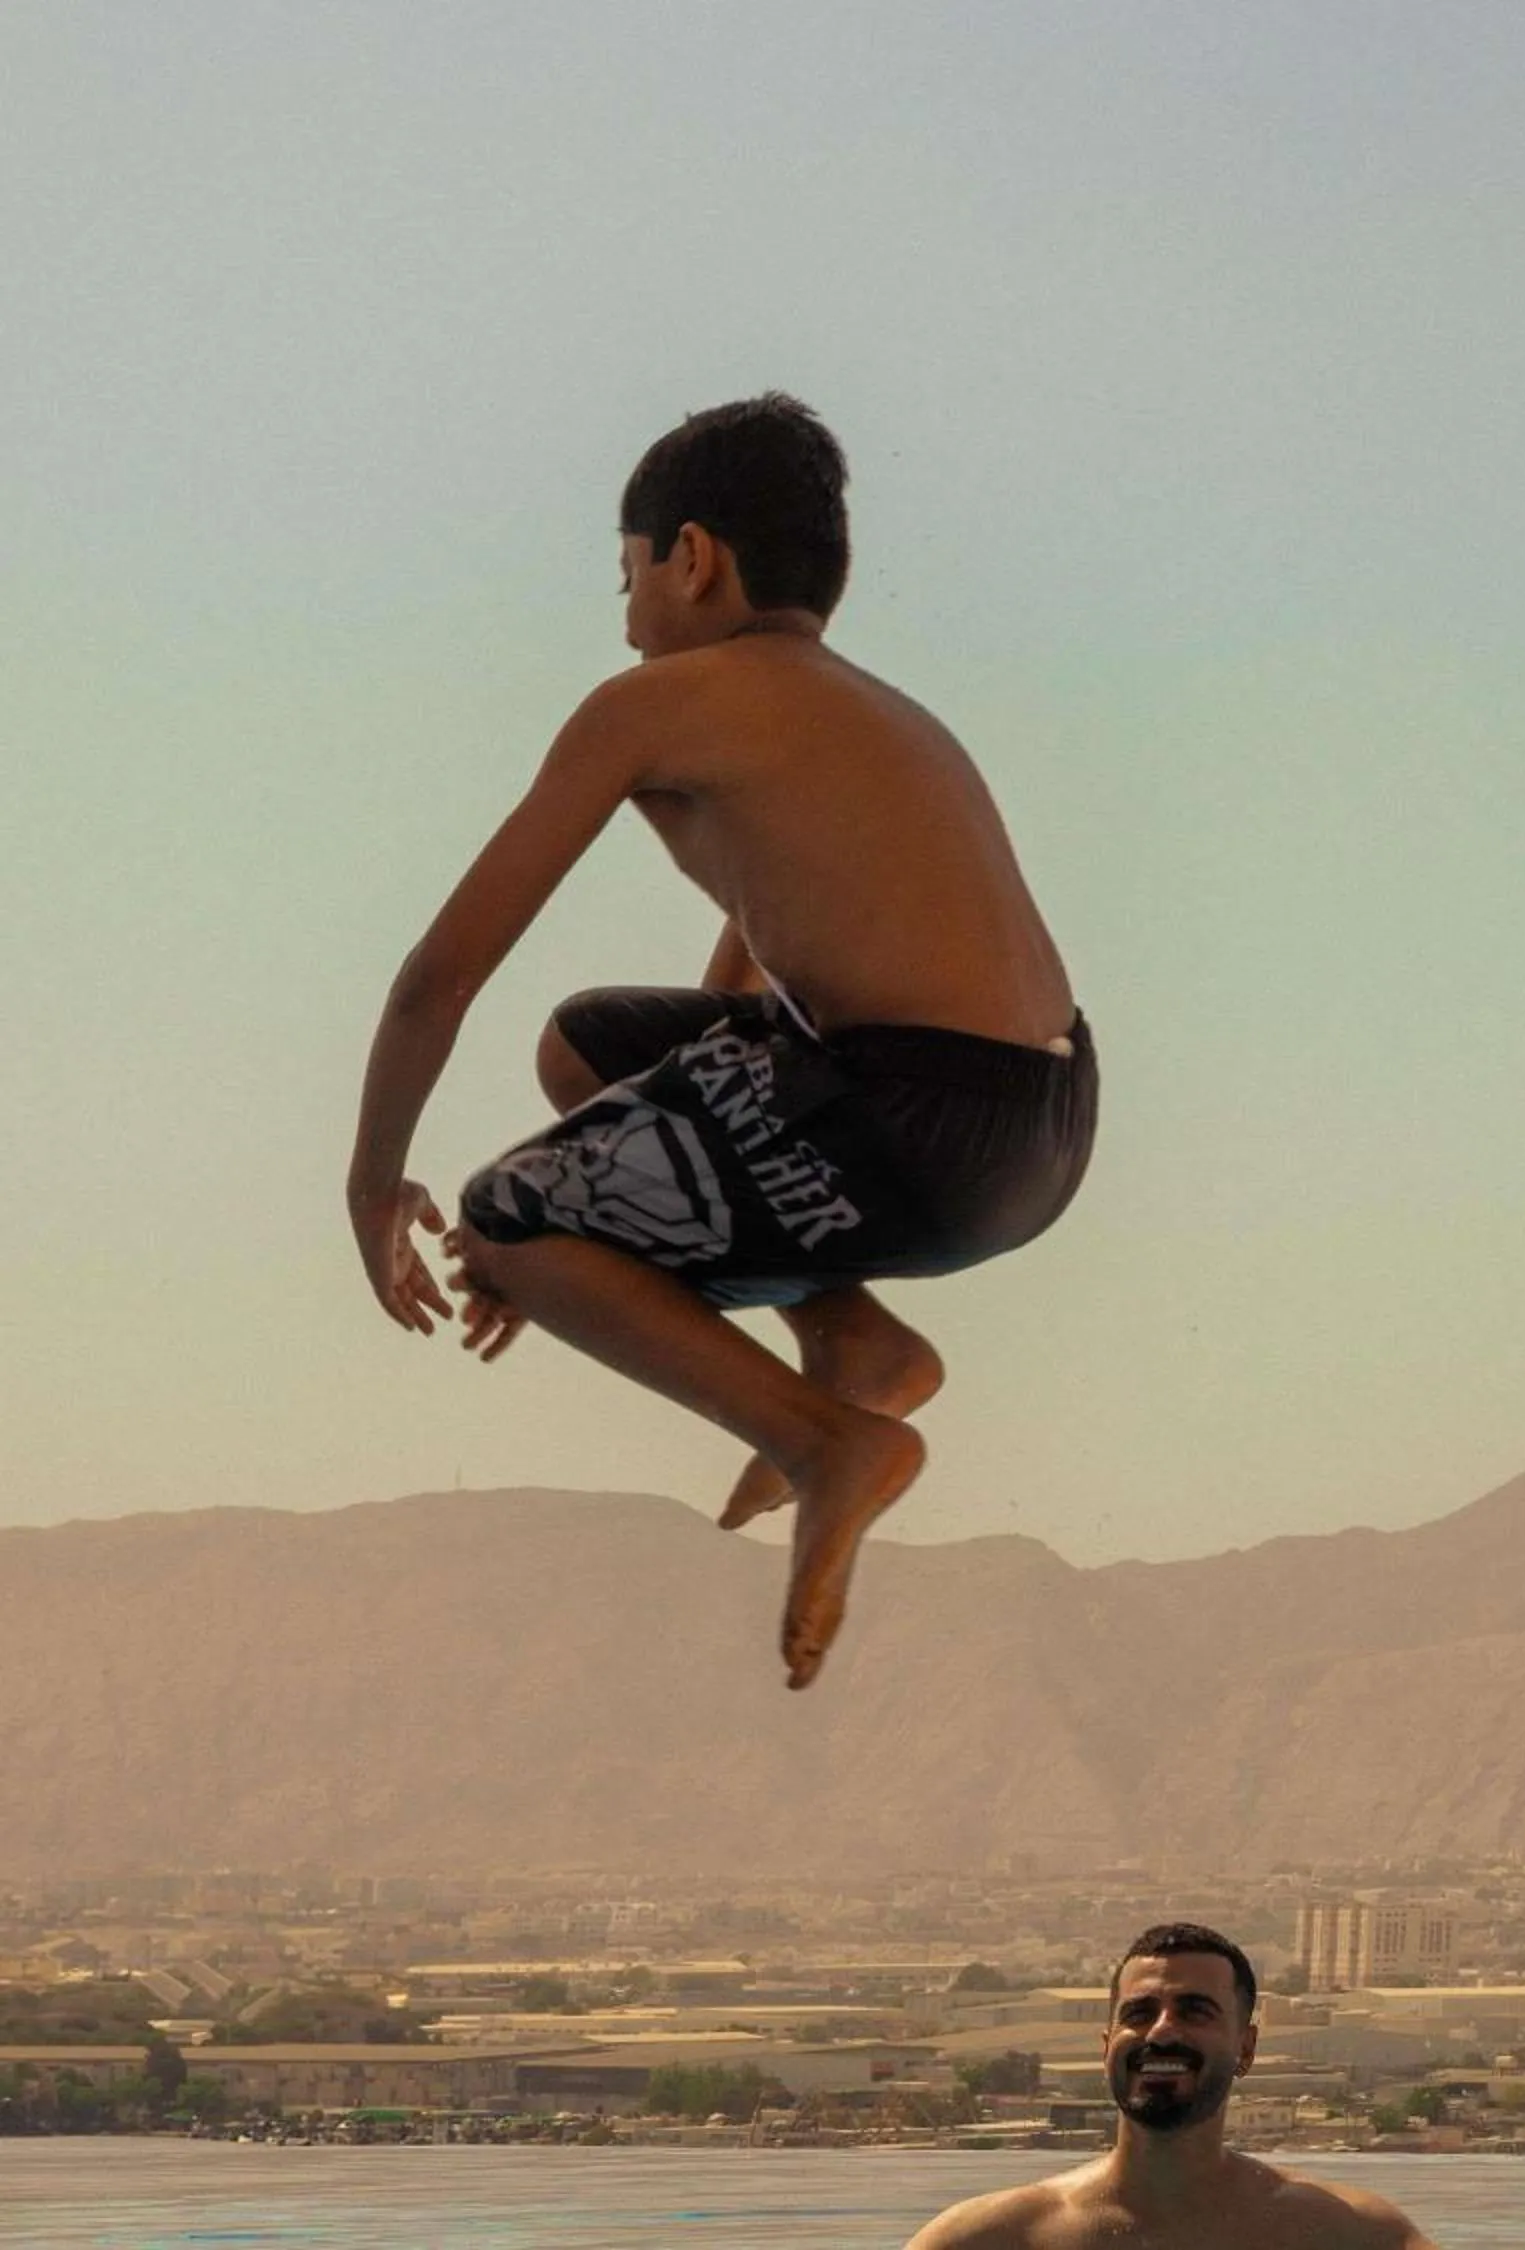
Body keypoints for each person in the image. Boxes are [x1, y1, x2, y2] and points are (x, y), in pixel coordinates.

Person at [345, 393, 1094, 1689]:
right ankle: (855, 1345)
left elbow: (437, 975)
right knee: (587, 1047)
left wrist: (385, 1186)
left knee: (505, 1217)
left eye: (623, 566)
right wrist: (621, 1218)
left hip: (917, 1120)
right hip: (1044, 1116)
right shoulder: (869, 711)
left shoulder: (655, 703)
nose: (622, 603)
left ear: (690, 556)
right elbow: (759, 952)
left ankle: (826, 1442)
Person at [907, 1923, 1437, 2250]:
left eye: (1195, 2011)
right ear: (1106, 2045)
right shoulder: (992, 2240)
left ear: (1246, 2048)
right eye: (1139, 2013)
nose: (1161, 2030)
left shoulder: (1345, 2235)